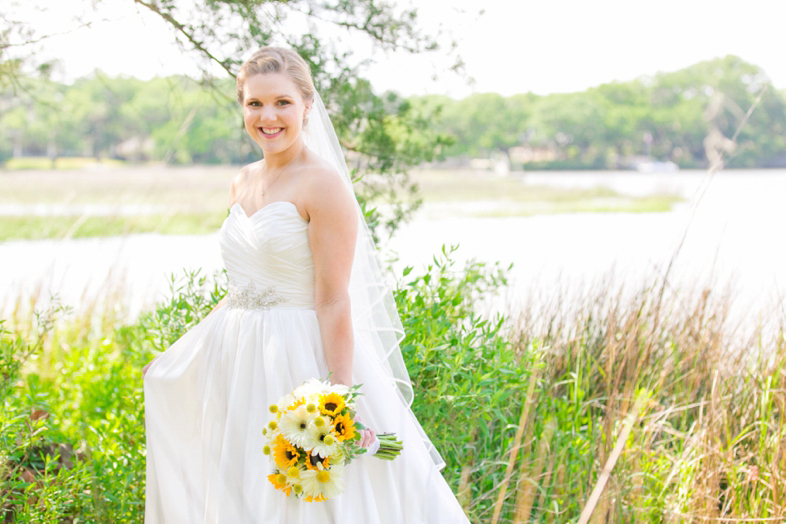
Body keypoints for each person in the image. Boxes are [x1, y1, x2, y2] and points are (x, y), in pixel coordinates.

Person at [143, 46, 471, 523]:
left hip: (297, 359)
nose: (267, 116)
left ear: (307, 106)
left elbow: (335, 297)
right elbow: (243, 287)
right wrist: (180, 351)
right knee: (245, 490)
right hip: (235, 359)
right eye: (254, 104)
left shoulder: (323, 184)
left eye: (281, 102)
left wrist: (337, 397)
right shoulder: (242, 181)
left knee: (311, 500)